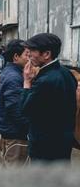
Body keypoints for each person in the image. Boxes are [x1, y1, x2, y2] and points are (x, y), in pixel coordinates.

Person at [21, 33, 77, 162]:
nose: (28, 55)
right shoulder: (67, 73)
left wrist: (26, 82)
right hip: (63, 142)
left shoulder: (45, 80)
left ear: (46, 54)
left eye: (32, 51)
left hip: (44, 146)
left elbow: (25, 109)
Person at [0, 40, 30, 166]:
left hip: (11, 132)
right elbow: (16, 111)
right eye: (27, 54)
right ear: (16, 57)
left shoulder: (11, 72)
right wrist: (31, 127)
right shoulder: (14, 78)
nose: (29, 58)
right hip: (16, 135)